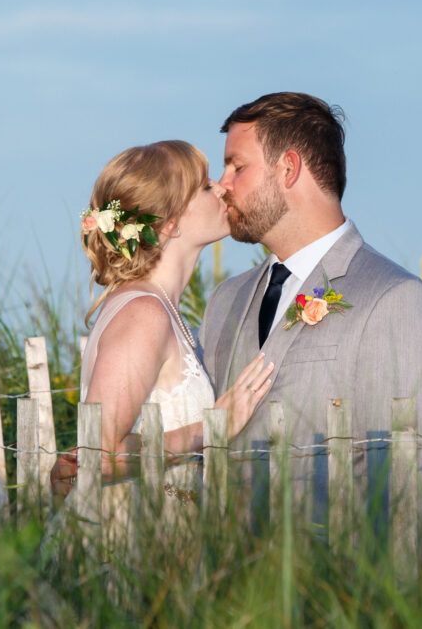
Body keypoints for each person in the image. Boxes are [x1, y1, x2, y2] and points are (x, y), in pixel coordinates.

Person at [198, 92, 422, 546]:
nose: (222, 185)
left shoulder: (395, 299)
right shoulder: (224, 301)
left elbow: (406, 490)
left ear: (288, 169)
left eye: (237, 167)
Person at [50, 140, 274, 500]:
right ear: (170, 224)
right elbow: (99, 455)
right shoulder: (143, 314)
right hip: (126, 543)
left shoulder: (163, 308)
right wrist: (214, 428)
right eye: (204, 187)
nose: (221, 188)